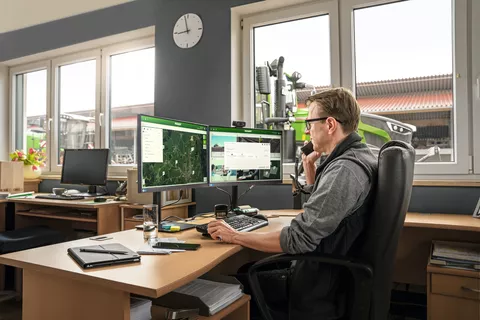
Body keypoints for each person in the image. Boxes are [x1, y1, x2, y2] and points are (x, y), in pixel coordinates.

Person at [207, 88, 379, 319]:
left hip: (317, 284)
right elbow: (325, 214)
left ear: (329, 125)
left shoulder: (344, 170)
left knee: (235, 283)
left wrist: (234, 235)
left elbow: (299, 239)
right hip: (329, 272)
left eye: (309, 123)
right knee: (248, 269)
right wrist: (310, 171)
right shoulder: (358, 157)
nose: (307, 130)